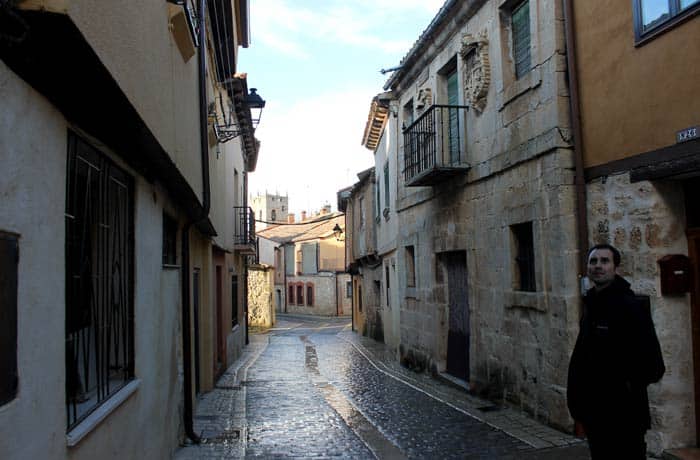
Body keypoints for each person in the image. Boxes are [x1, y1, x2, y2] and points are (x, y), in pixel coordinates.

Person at [567, 244, 665, 459]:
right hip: (595, 416)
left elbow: (654, 365)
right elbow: (584, 359)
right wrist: (579, 403)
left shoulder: (630, 306)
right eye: (593, 261)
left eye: (604, 261)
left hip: (625, 418)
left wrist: (622, 389)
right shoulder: (592, 305)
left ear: (616, 268)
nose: (598, 266)